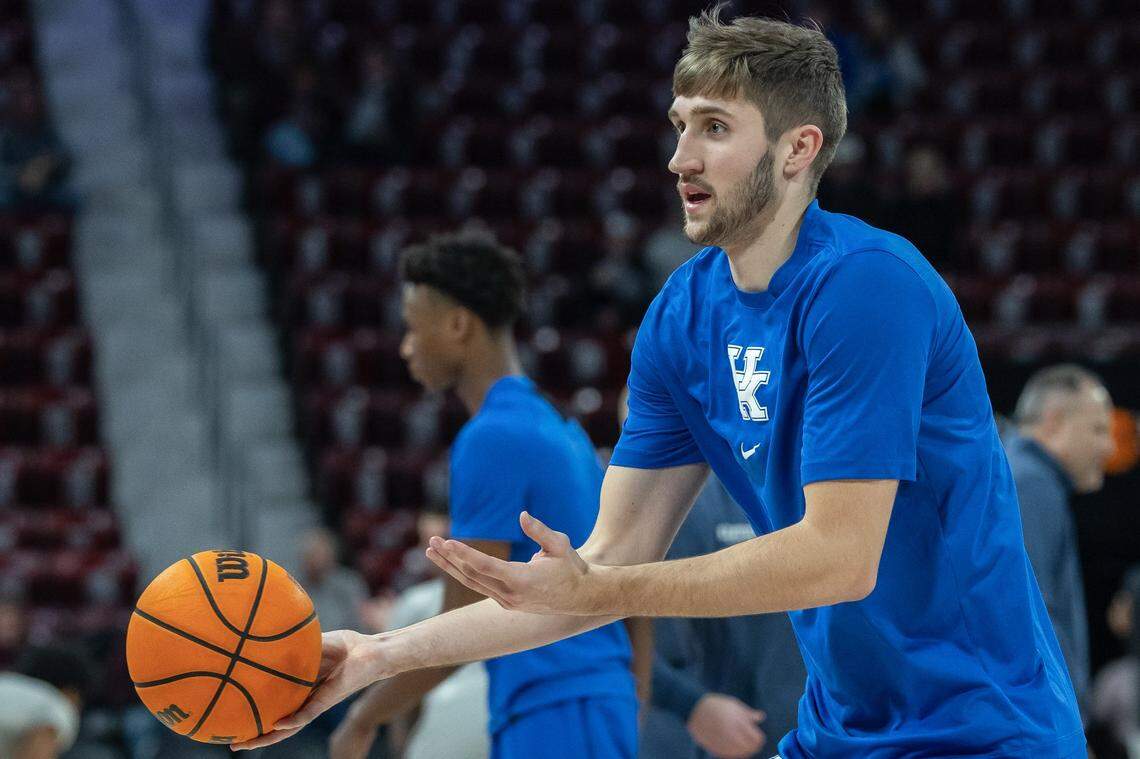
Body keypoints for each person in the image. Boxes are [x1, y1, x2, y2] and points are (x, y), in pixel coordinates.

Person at [235, 10, 1085, 757]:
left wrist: (604, 588)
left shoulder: (866, 285)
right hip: (842, 727)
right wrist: (377, 656)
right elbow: (599, 566)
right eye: (680, 124)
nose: (681, 155)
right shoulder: (680, 317)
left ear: (799, 148)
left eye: (715, 127)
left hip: (982, 729)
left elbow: (840, 557)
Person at [324, 232, 642, 759]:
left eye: (411, 327)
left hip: (554, 707)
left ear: (456, 325)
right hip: (596, 699)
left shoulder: (491, 437)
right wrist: (637, 696)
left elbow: (458, 622)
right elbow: (631, 586)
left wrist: (361, 719)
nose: (405, 347)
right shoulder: (562, 426)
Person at [618, 388, 806, 759]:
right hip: (683, 731)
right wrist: (693, 705)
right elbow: (613, 630)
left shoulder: (782, 486)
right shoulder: (628, 512)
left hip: (793, 724)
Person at [1003, 365, 1114, 714]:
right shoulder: (1032, 482)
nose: (1109, 447)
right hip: (1040, 721)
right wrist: (1067, 724)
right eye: (1098, 429)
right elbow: (1034, 614)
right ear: (1052, 421)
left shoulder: (1017, 472)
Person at [299, 526, 370, 634]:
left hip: (345, 641)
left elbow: (361, 620)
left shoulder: (349, 583)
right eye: (309, 554)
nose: (314, 559)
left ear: (331, 555)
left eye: (318, 553)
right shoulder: (296, 587)